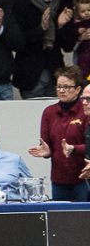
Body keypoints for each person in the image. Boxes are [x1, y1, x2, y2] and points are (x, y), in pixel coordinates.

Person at [28, 65, 88, 201]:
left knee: (82, 219)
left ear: (78, 89)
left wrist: (74, 149)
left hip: (83, 178)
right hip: (59, 179)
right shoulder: (49, 112)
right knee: (60, 219)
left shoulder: (85, 111)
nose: (61, 91)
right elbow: (46, 145)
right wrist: (46, 152)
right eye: (59, 86)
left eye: (66, 87)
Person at [11, 0, 75, 99]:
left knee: (56, 115)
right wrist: (41, 29)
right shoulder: (22, 4)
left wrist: (60, 27)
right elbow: (17, 42)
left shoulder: (64, 5)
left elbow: (68, 46)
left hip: (55, 73)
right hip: (30, 74)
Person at [69, 0, 90, 79]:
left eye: (89, 10)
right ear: (78, 12)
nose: (87, 13)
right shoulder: (77, 24)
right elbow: (73, 42)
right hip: (83, 52)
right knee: (83, 63)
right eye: (83, 11)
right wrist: (79, 33)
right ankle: (83, 78)